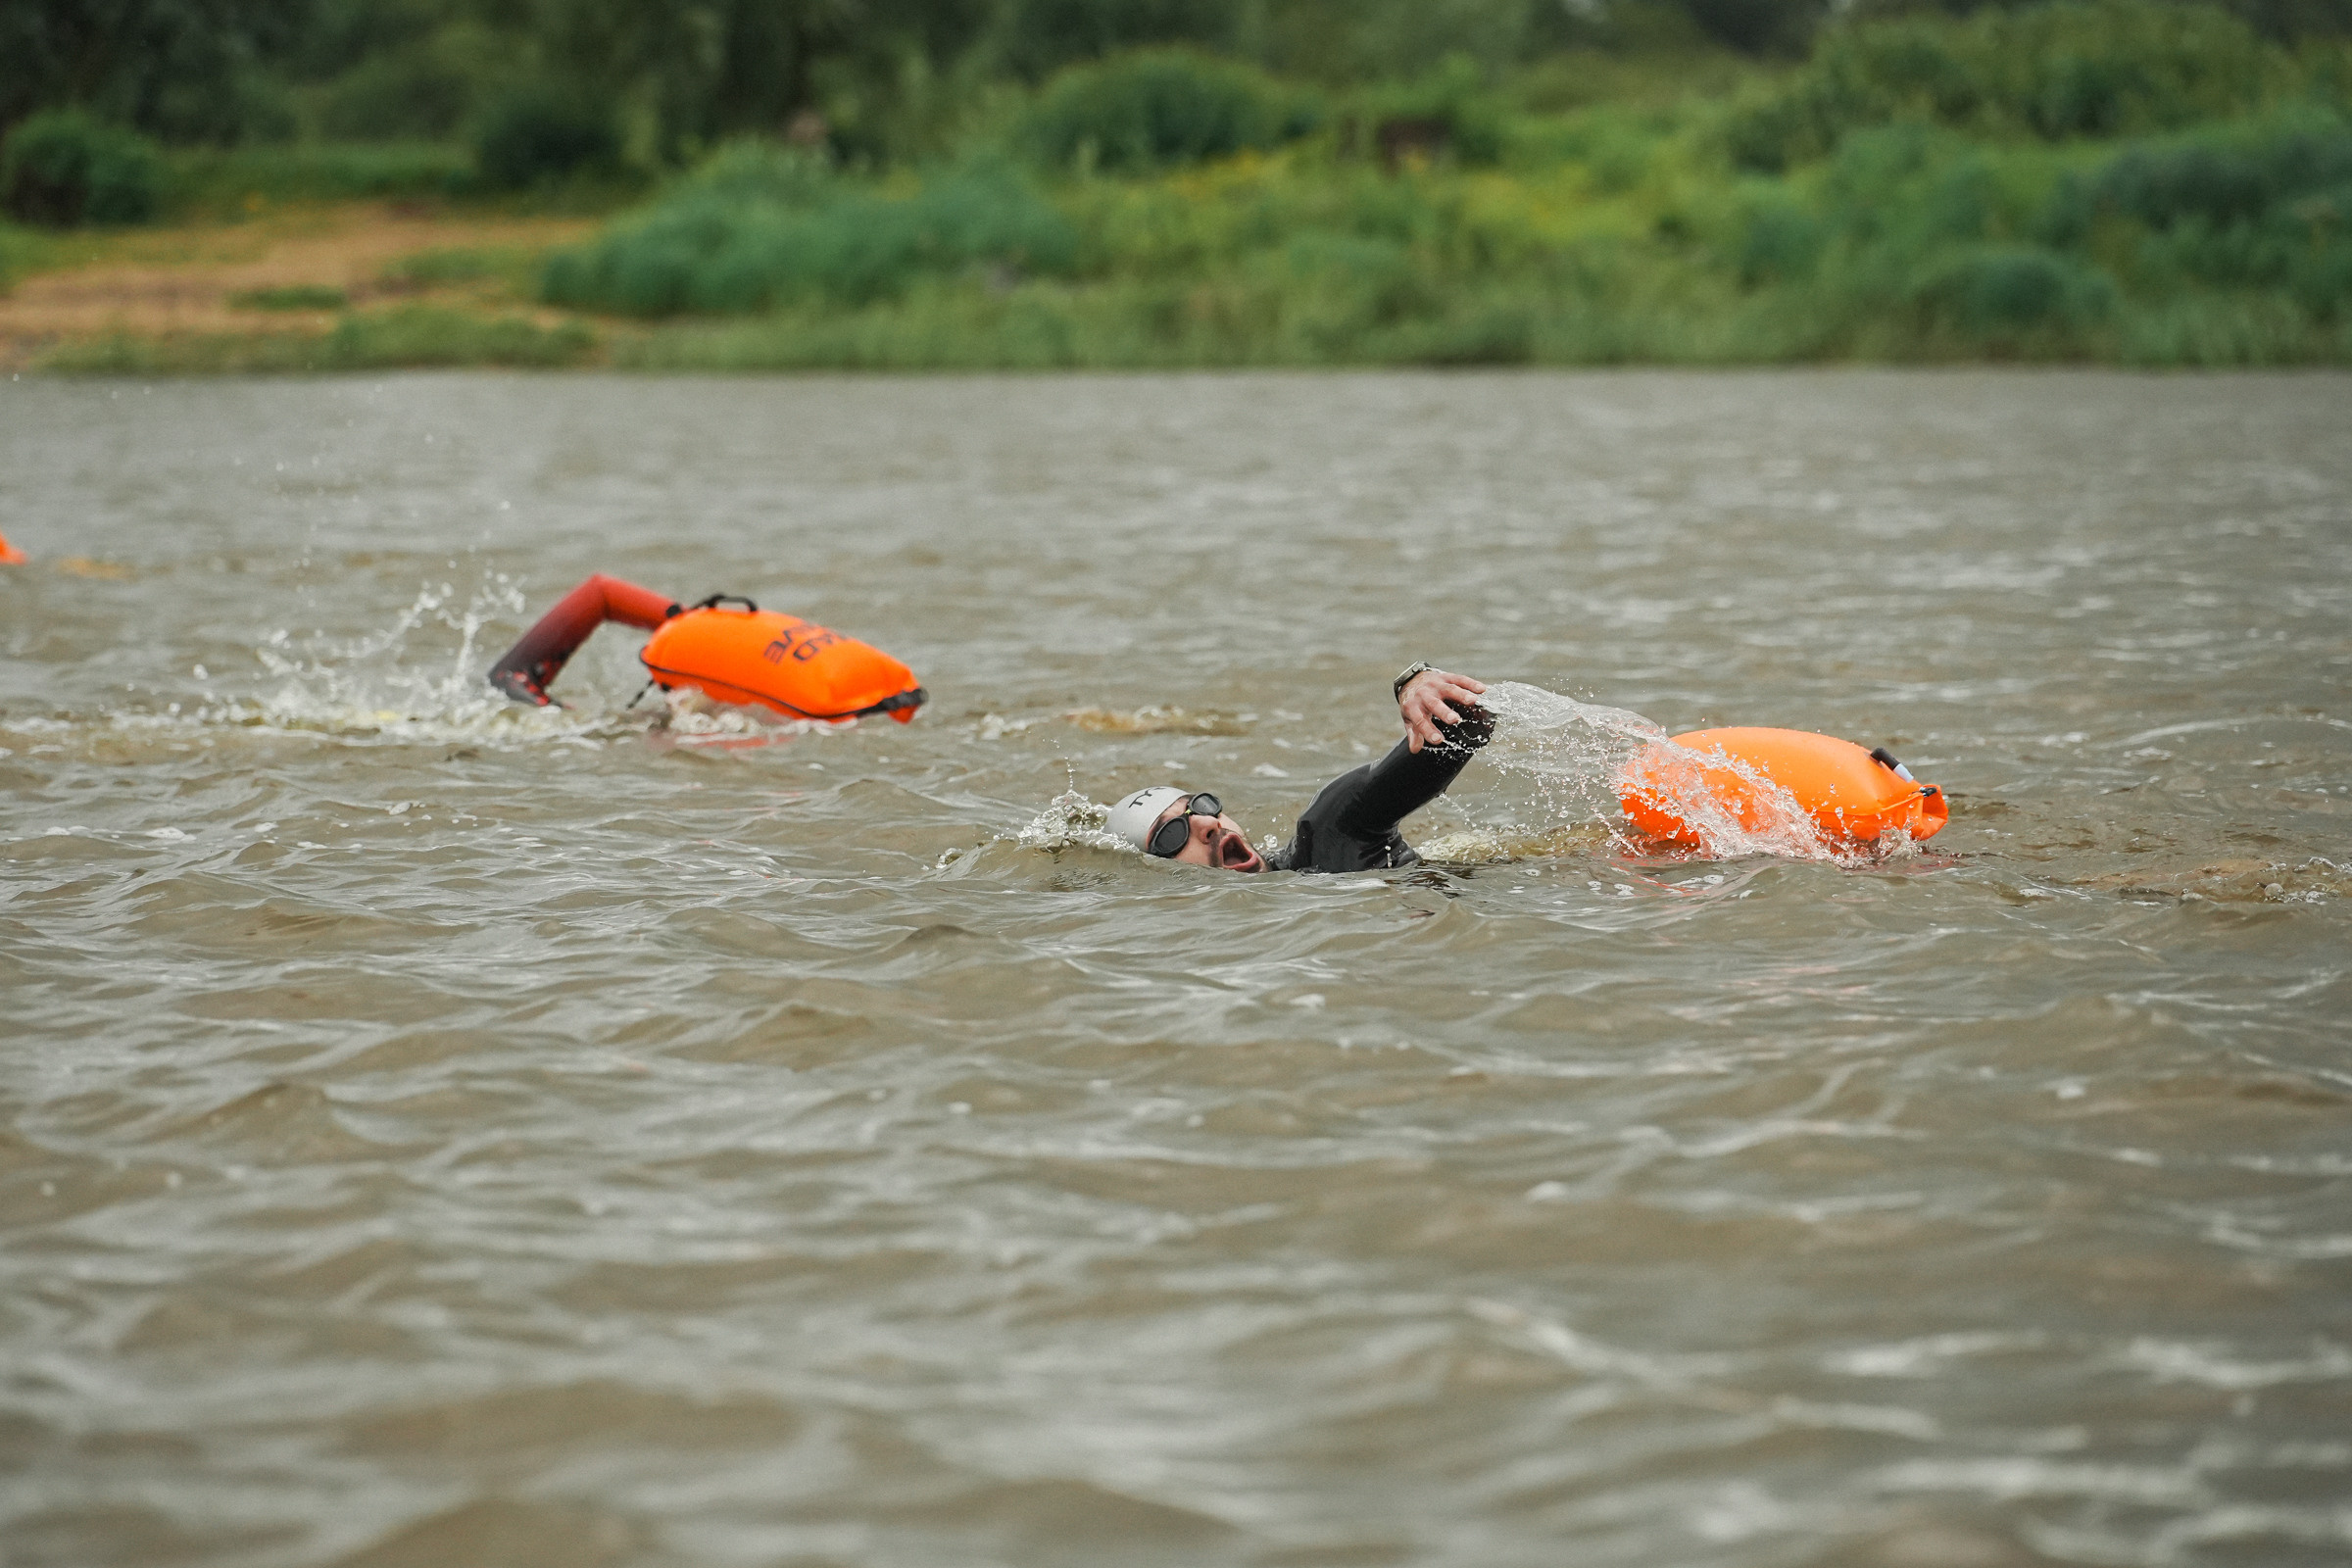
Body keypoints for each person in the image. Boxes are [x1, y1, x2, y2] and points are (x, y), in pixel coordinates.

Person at [1104, 664, 1494, 873]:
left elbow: (1472, 719)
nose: (1206, 825)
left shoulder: (1329, 832)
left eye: (1201, 807)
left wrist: (1415, 683)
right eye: (1171, 836)